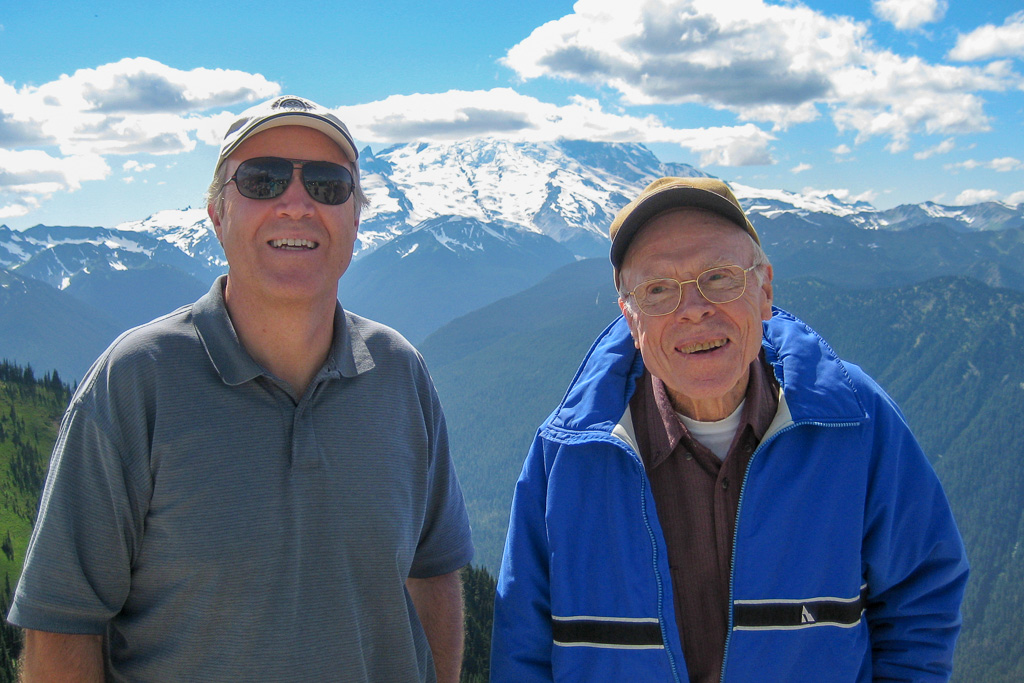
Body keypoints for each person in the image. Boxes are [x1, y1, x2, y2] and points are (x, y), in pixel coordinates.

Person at [7, 95, 473, 682]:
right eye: (262, 180)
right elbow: (62, 624)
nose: (297, 204)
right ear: (216, 214)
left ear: (356, 219)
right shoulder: (136, 381)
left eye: (329, 185)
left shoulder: (399, 374)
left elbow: (434, 573)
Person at [491, 177, 968, 682]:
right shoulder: (567, 453)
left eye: (718, 277)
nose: (693, 308)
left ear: (764, 290)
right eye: (658, 290)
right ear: (630, 317)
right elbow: (523, 645)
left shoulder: (854, 422)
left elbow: (922, 599)